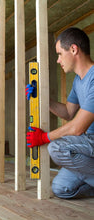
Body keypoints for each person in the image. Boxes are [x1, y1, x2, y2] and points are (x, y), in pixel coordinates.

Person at [26, 27, 94, 199]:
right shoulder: (79, 82)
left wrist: (44, 137)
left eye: (59, 54)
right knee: (61, 188)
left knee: (57, 147)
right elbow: (68, 113)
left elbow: (78, 127)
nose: (58, 60)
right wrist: (42, 99)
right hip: (89, 145)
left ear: (73, 49)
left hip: (91, 141)